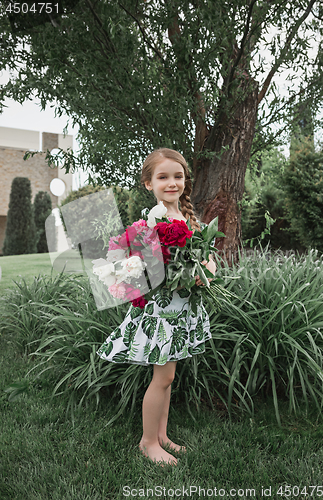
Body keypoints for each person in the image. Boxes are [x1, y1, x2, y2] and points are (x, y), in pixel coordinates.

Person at [97, 148, 216, 466]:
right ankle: (148, 441)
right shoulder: (150, 223)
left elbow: (208, 262)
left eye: (178, 176)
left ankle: (162, 435)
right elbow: (136, 269)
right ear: (149, 183)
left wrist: (203, 272)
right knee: (161, 379)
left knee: (169, 377)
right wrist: (150, 269)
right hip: (160, 313)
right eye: (163, 177)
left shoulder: (188, 220)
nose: (172, 182)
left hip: (181, 310)